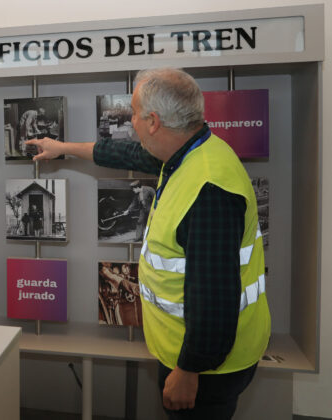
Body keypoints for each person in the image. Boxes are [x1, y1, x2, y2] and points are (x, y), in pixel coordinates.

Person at [27, 68, 270, 419]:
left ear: (153, 121)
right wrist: (61, 148)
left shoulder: (208, 191)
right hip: (187, 355)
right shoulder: (186, 152)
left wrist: (188, 372)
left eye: (134, 115)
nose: (132, 123)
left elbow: (216, 301)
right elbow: (122, 153)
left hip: (206, 371)